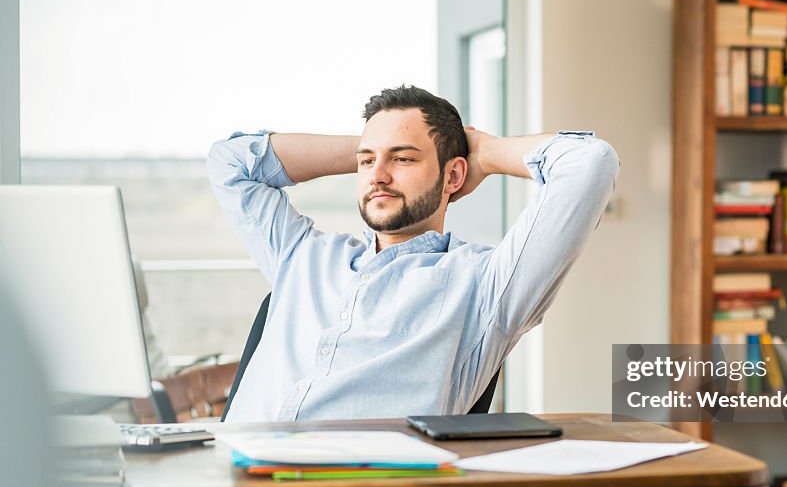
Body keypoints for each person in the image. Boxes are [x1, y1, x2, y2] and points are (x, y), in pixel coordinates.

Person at [208, 85, 618, 421]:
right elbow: (230, 162)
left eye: (403, 158)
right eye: (367, 162)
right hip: (222, 483)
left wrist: (483, 152)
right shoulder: (302, 256)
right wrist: (378, 143)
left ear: (453, 175)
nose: (378, 176)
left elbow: (589, 162)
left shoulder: (485, 285)